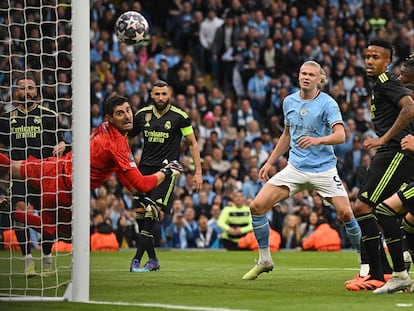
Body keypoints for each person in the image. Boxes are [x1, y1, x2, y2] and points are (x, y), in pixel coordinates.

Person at [0, 95, 185, 242]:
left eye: (128, 110)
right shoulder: (117, 145)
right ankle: (11, 212)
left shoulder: (104, 127)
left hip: (54, 166)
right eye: (120, 113)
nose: (128, 116)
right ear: (109, 118)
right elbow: (142, 184)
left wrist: (138, 195)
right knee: (62, 234)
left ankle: (12, 212)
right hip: (62, 189)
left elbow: (123, 174)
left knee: (10, 165)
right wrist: (168, 171)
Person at [242, 60, 361, 280]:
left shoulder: (328, 103)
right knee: (257, 206)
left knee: (346, 213)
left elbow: (341, 135)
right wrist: (269, 162)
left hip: (324, 170)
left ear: (319, 79)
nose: (305, 77)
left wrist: (318, 141)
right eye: (303, 73)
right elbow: (287, 135)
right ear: (299, 76)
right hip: (295, 168)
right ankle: (265, 260)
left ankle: (366, 260)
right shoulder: (289, 101)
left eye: (311, 74)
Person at [346, 39, 414, 292]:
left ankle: (381, 272)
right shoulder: (383, 84)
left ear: (387, 62)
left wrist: (383, 139)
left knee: (364, 206)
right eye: (367, 56)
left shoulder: (387, 82)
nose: (369, 61)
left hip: (396, 152)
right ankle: (383, 271)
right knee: (375, 209)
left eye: (376, 57)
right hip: (389, 152)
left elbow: (409, 108)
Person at [127, 79, 202, 272]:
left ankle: (135, 260)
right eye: (157, 94)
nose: (161, 97)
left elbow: (193, 144)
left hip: (168, 170)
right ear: (151, 95)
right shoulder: (141, 115)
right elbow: (126, 138)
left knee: (152, 213)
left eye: (164, 94)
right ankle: (153, 260)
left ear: (170, 95)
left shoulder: (180, 117)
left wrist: (198, 172)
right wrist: (125, 163)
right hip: (143, 171)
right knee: (141, 217)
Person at [0, 74, 66, 277]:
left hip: (45, 175)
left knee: (48, 218)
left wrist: (62, 145)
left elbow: (62, 142)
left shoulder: (48, 115)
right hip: (20, 175)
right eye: (22, 88)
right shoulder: (6, 119)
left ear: (36, 91)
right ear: (15, 92)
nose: (26, 92)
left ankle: (46, 258)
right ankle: (28, 259)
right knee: (19, 212)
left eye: (30, 88)